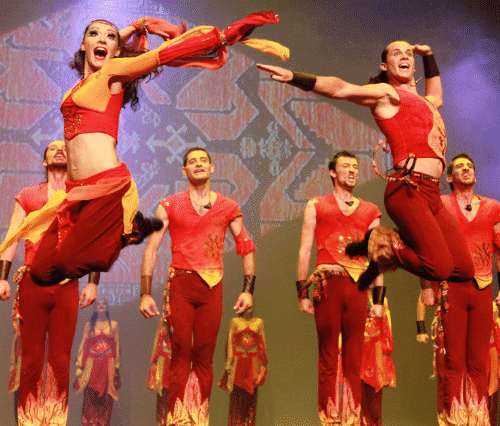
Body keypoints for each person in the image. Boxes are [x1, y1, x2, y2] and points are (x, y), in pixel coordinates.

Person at [0, 12, 288, 287]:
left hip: (105, 188)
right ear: (83, 44)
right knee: (40, 272)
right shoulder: (77, 87)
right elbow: (109, 44)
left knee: (66, 265)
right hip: (75, 191)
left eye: (110, 36)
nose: (102, 39)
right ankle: (131, 229)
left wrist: (219, 38)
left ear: (117, 51)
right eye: (94, 34)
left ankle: (125, 233)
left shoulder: (112, 73)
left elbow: (161, 55)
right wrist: (133, 27)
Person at [257, 41, 474, 289]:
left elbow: (437, 96)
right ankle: (378, 243)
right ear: (385, 66)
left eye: (408, 54)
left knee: (465, 269)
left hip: (431, 192)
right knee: (439, 268)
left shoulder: (427, 102)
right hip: (408, 189)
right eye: (396, 54)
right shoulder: (386, 94)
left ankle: (391, 242)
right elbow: (341, 89)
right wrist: (294, 77)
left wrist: (428, 55)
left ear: (414, 67)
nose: (404, 56)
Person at [140, 147, 257, 425]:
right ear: (184, 171)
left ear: (212, 168)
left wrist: (247, 290)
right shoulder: (169, 204)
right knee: (181, 353)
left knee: (205, 356)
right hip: (181, 284)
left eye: (204, 160)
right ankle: (177, 418)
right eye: (192, 162)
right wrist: (145, 293)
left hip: (212, 286)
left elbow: (246, 246)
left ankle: (199, 417)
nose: (199, 164)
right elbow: (152, 249)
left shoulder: (228, 207)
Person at [0, 140, 99, 426]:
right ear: (44, 161)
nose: (59, 150)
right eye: (53, 149)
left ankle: (55, 420)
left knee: (60, 359)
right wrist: (2, 277)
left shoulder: (81, 196)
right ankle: (29, 420)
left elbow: (93, 240)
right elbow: (12, 236)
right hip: (33, 283)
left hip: (66, 285)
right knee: (31, 359)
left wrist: (93, 282)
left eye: (64, 148)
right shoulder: (28, 195)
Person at [295, 150, 385, 425]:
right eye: (346, 166)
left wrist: (378, 300)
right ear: (333, 172)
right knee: (328, 358)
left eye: (356, 167)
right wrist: (302, 293)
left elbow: (376, 258)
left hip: (357, 288)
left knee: (354, 360)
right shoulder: (316, 205)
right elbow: (305, 250)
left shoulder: (370, 211)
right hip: (327, 286)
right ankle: (330, 418)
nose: (353, 171)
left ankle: (352, 418)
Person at [416, 152, 500, 425]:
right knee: (453, 360)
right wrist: (426, 287)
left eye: (470, 166)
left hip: (482, 288)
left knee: (478, 362)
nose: (466, 169)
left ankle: (477, 420)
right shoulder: (440, 205)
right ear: (450, 178)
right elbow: (424, 246)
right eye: (460, 167)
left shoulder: (492, 207)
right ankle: (454, 419)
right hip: (451, 288)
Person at [74, 298, 120, 426]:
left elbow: (116, 345)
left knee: (106, 395)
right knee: (91, 394)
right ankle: (90, 422)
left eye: (104, 303)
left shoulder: (113, 325)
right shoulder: (89, 325)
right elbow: (84, 344)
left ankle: (103, 422)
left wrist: (116, 366)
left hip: (107, 363)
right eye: (98, 304)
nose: (101, 305)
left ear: (107, 307)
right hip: (92, 363)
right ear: (94, 308)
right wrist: (79, 365)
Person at [218, 308, 268, 426]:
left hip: (253, 363)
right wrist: (229, 363)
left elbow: (262, 343)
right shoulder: (235, 322)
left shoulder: (258, 322)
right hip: (238, 363)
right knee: (236, 398)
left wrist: (263, 365)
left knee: (250, 399)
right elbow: (230, 342)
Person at [360, 288, 396, 426]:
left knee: (373, 397)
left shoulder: (381, 300)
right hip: (355, 348)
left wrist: (385, 351)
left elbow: (386, 326)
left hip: (374, 352)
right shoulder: (352, 297)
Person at [148, 317, 172, 426]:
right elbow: (158, 344)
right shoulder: (162, 324)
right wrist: (154, 360)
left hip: (176, 365)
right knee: (162, 396)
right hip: (163, 364)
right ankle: (162, 422)